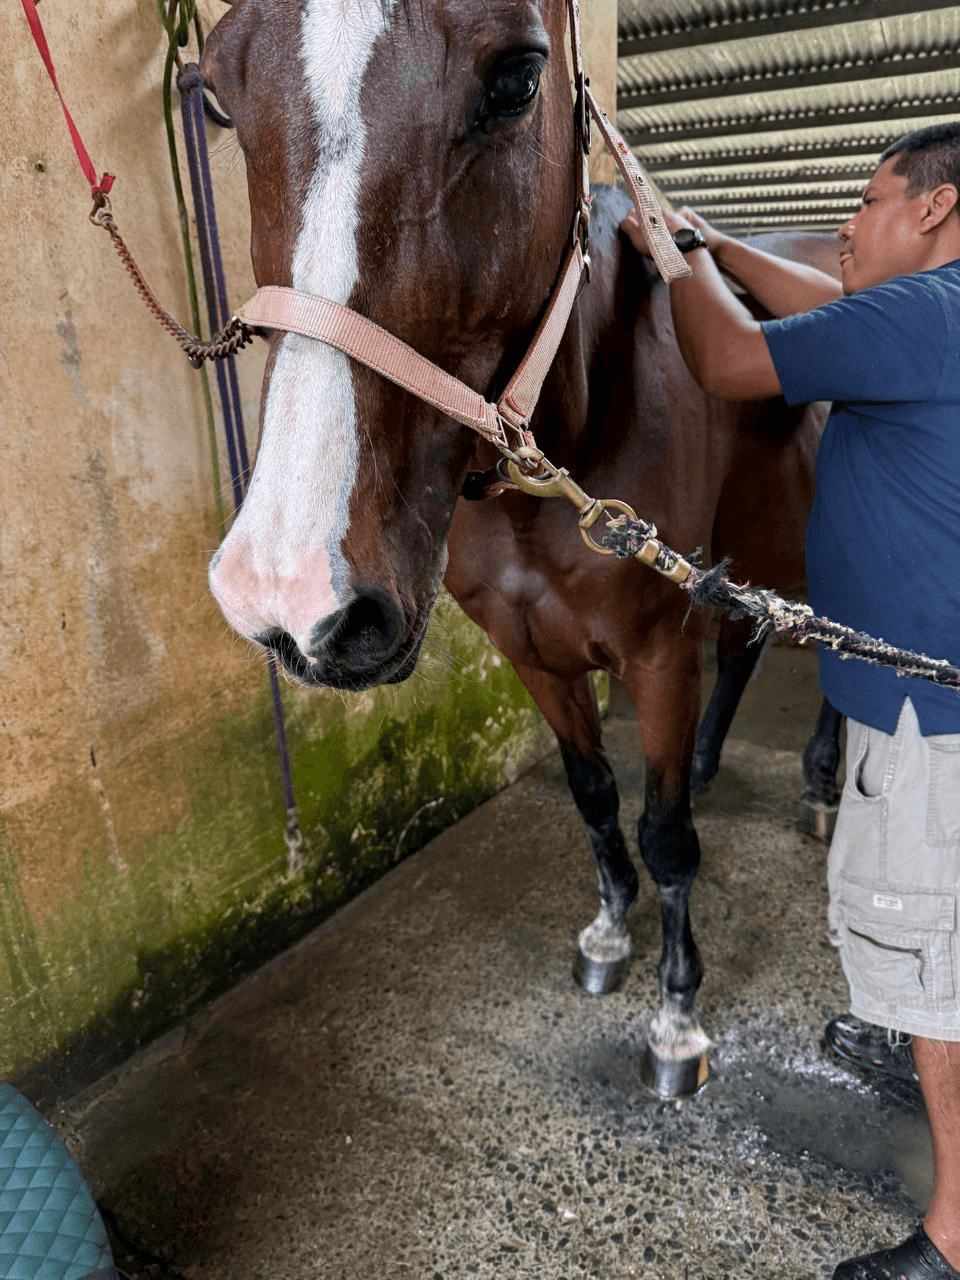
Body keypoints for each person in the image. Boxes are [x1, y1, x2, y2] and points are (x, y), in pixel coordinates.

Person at [621, 122, 960, 1280]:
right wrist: (711, 235)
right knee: (934, 946)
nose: (850, 226)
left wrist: (671, 265)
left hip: (929, 732)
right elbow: (824, 289)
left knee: (937, 966)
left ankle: (955, 1236)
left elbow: (726, 360)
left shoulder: (929, 312)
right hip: (927, 709)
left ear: (933, 208)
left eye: (867, 203)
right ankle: (908, 1027)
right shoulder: (934, 317)